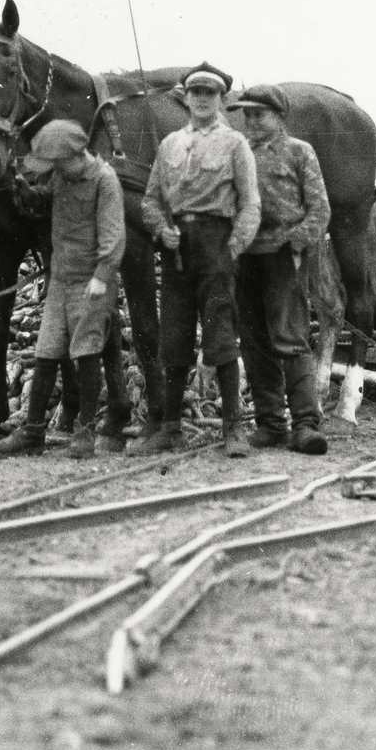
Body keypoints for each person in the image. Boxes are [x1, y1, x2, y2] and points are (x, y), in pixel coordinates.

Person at [135, 62, 261, 457]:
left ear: (222, 99)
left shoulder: (235, 144)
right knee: (174, 335)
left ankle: (233, 430)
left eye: (211, 94)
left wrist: (233, 247)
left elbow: (250, 203)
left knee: (221, 335)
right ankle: (171, 429)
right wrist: (160, 228)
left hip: (216, 245)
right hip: (177, 248)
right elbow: (151, 199)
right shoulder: (170, 144)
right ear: (185, 98)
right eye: (196, 93)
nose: (203, 100)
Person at [0, 120, 127, 458]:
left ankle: (84, 433)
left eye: (53, 165)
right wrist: (24, 190)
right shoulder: (61, 177)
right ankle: (34, 432)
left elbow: (113, 235)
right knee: (46, 352)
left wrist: (102, 275)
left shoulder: (104, 180)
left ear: (71, 156)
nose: (50, 172)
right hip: (61, 280)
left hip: (92, 282)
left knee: (86, 353)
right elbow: (44, 201)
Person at [232, 85, 331, 455]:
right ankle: (271, 424)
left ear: (280, 117)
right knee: (254, 342)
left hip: (284, 254)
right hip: (246, 254)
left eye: (260, 114)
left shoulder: (299, 152)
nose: (252, 121)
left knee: (290, 338)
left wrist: (298, 243)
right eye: (247, 115)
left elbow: (320, 210)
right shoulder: (238, 153)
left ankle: (305, 424)